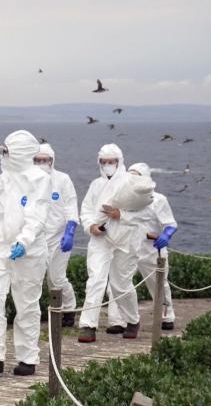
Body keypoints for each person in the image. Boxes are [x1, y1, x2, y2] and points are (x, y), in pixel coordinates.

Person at [0, 130, 52, 375]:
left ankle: (27, 357)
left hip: (28, 251)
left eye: (7, 152)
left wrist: (24, 241)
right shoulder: (5, 179)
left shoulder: (39, 178)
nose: (3, 156)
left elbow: (37, 214)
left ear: (19, 152)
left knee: (26, 303)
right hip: (1, 247)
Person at [77, 144, 144, 342]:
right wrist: (90, 226)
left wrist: (119, 215)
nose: (107, 165)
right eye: (104, 162)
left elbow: (142, 213)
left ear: (119, 161)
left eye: (111, 161)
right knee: (95, 280)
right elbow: (86, 209)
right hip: (100, 239)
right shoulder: (95, 185)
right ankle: (88, 325)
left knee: (120, 284)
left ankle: (132, 320)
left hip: (125, 239)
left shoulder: (131, 183)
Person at [113, 162, 178, 330]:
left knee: (158, 284)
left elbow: (170, 223)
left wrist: (165, 235)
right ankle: (119, 319)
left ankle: (167, 315)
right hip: (128, 247)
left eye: (136, 176)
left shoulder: (158, 200)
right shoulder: (123, 199)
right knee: (119, 283)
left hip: (151, 248)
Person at [33, 143, 79, 328]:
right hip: (37, 238)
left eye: (45, 160)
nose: (41, 163)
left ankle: (68, 310)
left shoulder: (62, 180)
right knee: (35, 278)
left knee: (57, 278)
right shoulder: (29, 180)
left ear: (52, 161)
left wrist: (70, 232)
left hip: (60, 238)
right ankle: (40, 313)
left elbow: (71, 206)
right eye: (37, 160)